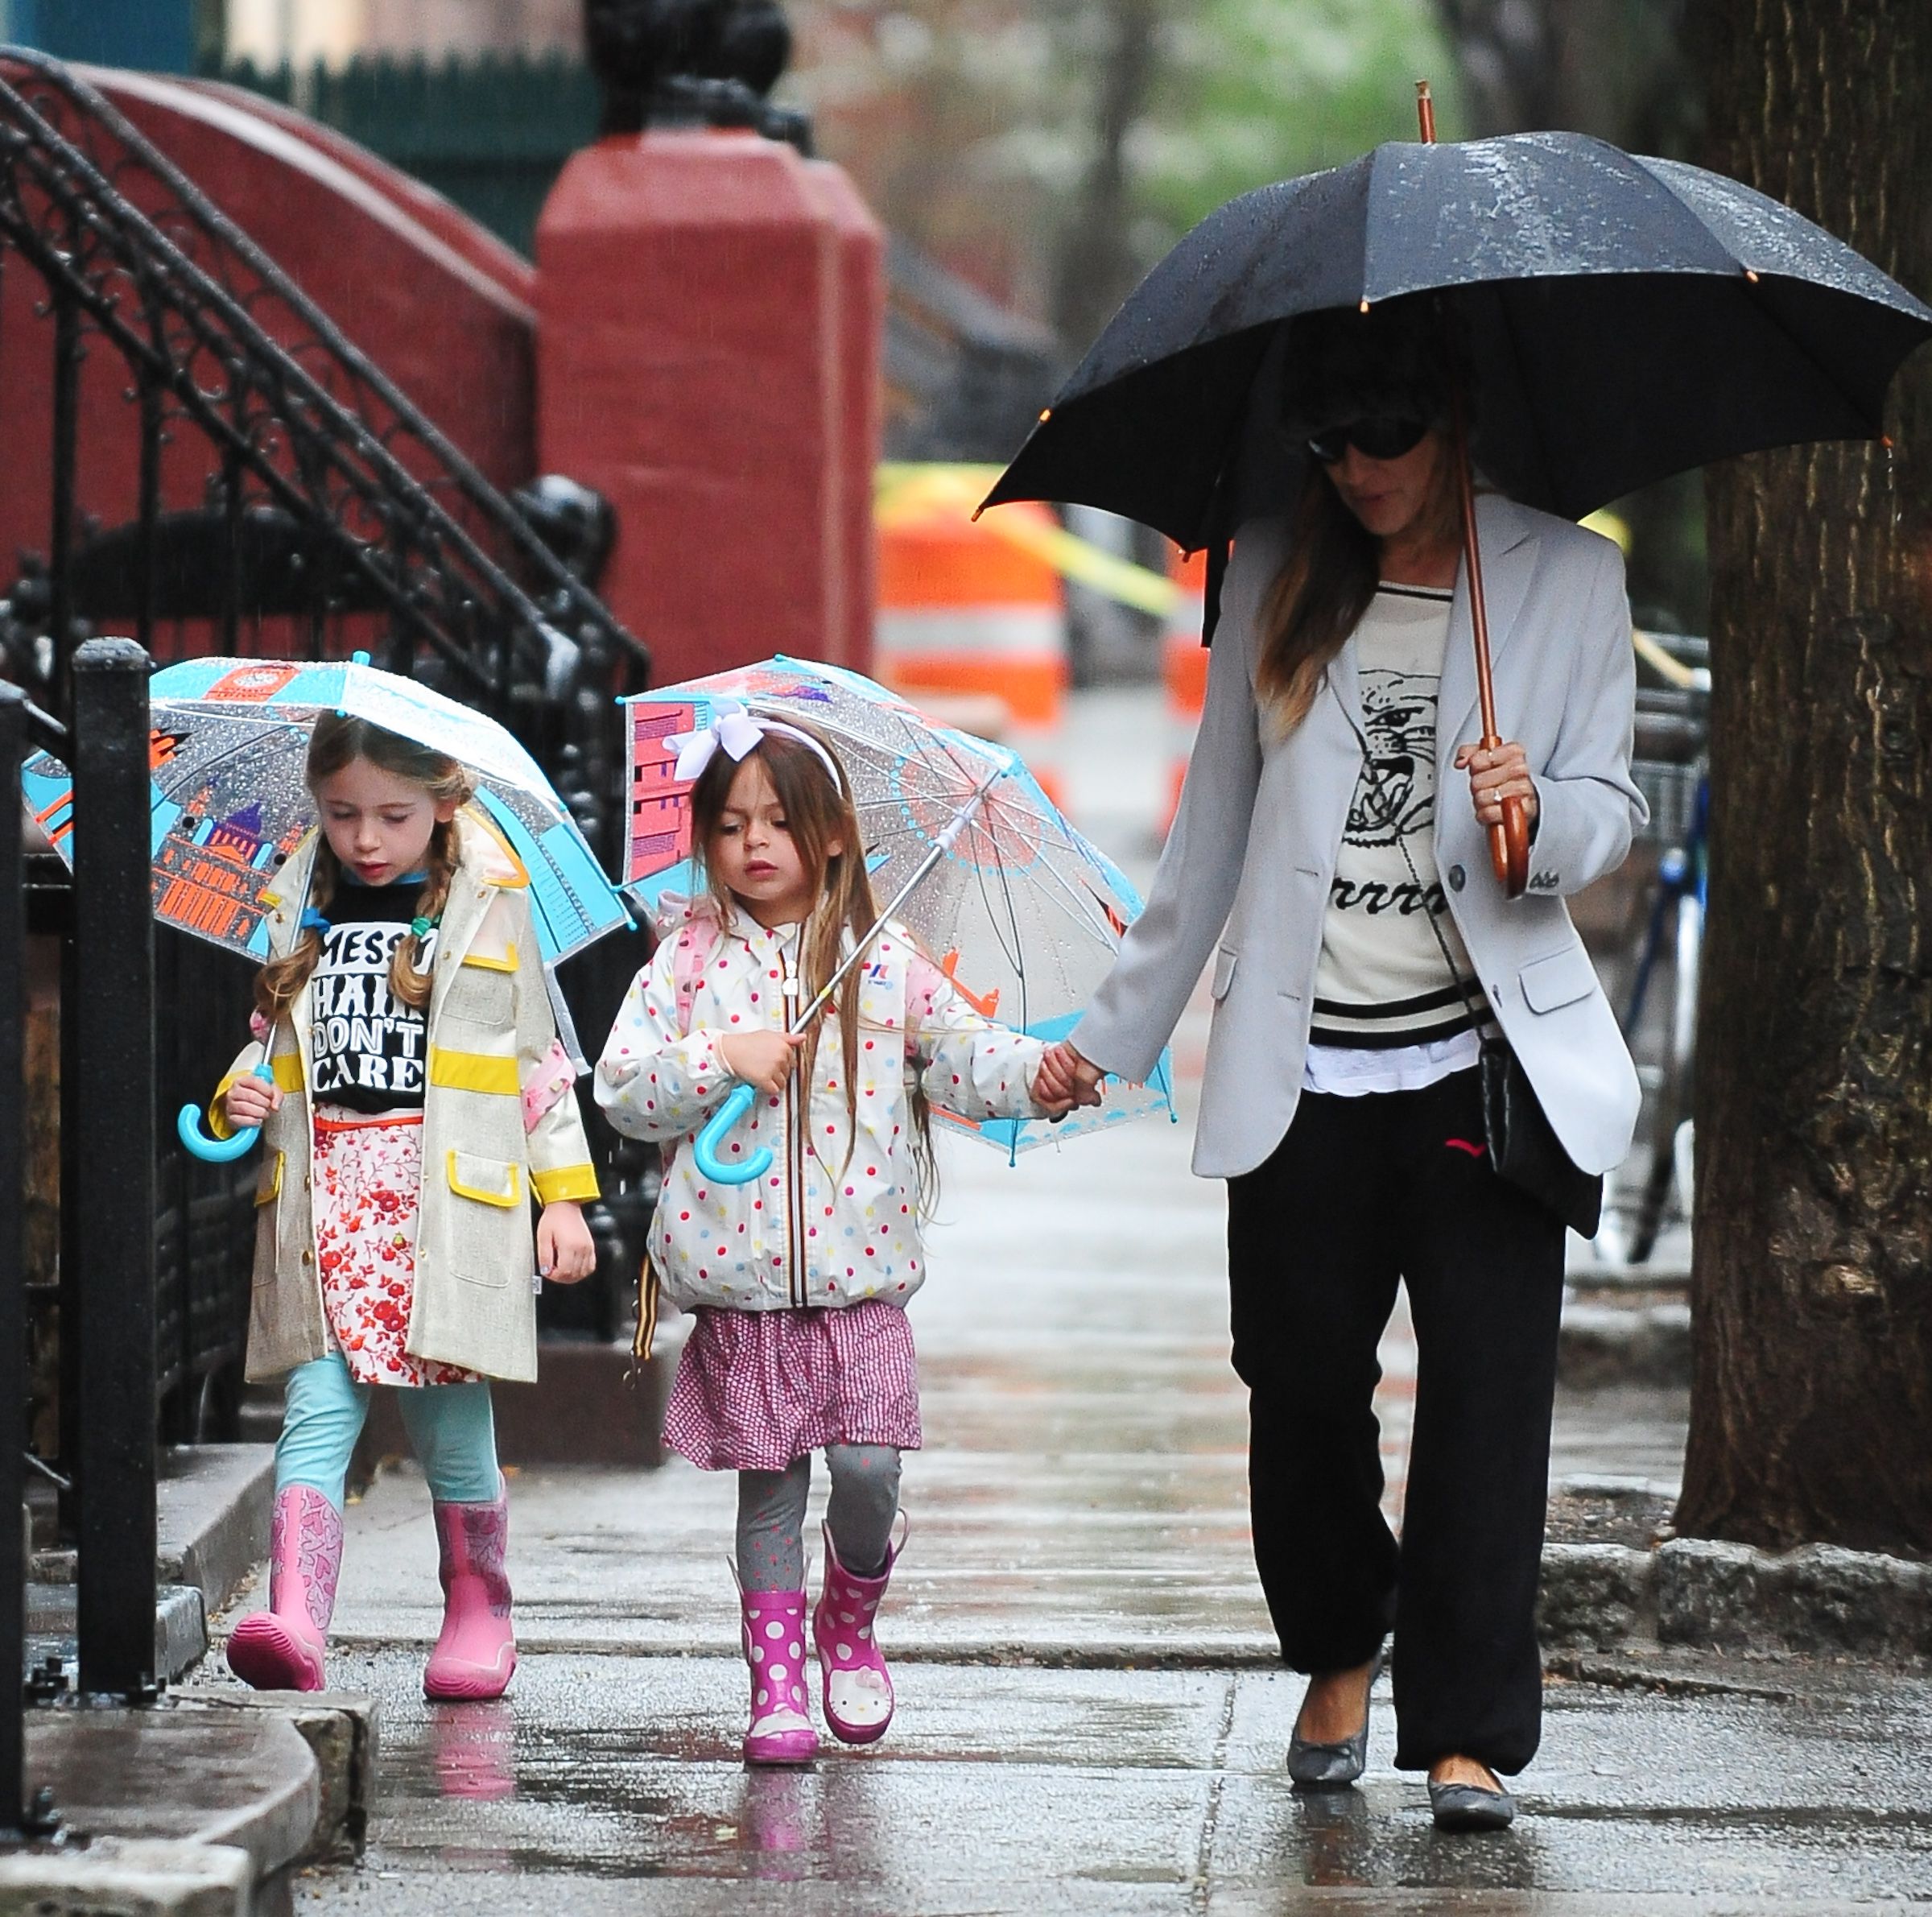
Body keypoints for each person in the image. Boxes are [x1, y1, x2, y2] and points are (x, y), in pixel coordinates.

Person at [1036, 302, 1645, 1832]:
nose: (1362, 466)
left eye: (1389, 434)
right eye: (1333, 438)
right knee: (1298, 1386)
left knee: (1488, 1404)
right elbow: (1211, 836)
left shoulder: (1569, 580)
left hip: (1483, 1063)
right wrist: (1105, 1041)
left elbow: (1611, 808)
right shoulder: (1274, 571)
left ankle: (1467, 1731)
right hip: (1304, 1067)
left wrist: (1542, 818)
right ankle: (1335, 1639)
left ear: (1453, 419)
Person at [595, 712, 1074, 1765]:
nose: (754, 843)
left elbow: (964, 1055)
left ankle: (849, 1612)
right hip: (743, 1284)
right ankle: (774, 1684)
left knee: (863, 1467)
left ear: (836, 834)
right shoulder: (685, 962)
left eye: (779, 821)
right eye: (728, 825)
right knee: (769, 1483)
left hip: (861, 1278)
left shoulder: (881, 960)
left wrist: (1038, 1079)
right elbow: (624, 1087)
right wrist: (723, 1052)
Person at [213, 714, 600, 1700]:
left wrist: (562, 1199)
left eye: (393, 814)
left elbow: (532, 1070)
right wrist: (238, 1092)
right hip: (329, 1201)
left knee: (451, 1429)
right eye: (342, 814)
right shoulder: (301, 901)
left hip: (437, 1211)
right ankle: (296, 1617)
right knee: (314, 1407)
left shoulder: (487, 906)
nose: (367, 838)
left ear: (445, 802)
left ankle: (479, 1608)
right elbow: (271, 1044)